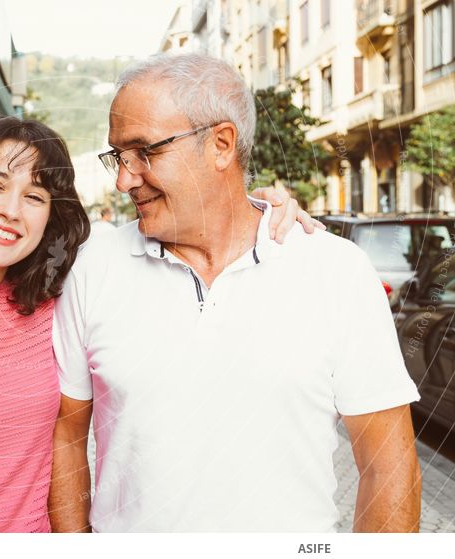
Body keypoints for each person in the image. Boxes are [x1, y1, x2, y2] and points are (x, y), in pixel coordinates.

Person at [0, 115, 315, 533]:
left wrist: (261, 206)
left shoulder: (59, 301)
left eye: (34, 197)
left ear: (51, 219)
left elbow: (180, 244)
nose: (9, 210)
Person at [49, 53, 422, 533]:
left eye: (144, 151)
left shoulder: (335, 271)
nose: (124, 179)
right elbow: (67, 434)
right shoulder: (94, 270)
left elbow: (387, 466)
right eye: (117, 156)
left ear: (221, 145)